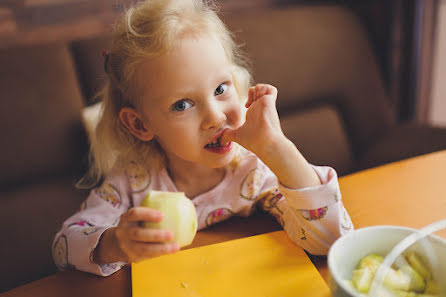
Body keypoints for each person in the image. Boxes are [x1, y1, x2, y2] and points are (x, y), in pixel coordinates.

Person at [52, 0, 354, 276]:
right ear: (140, 124)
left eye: (221, 88)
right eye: (182, 104)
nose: (215, 117)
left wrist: (277, 147)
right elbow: (64, 246)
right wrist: (114, 244)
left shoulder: (252, 170)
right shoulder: (133, 182)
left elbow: (332, 239)